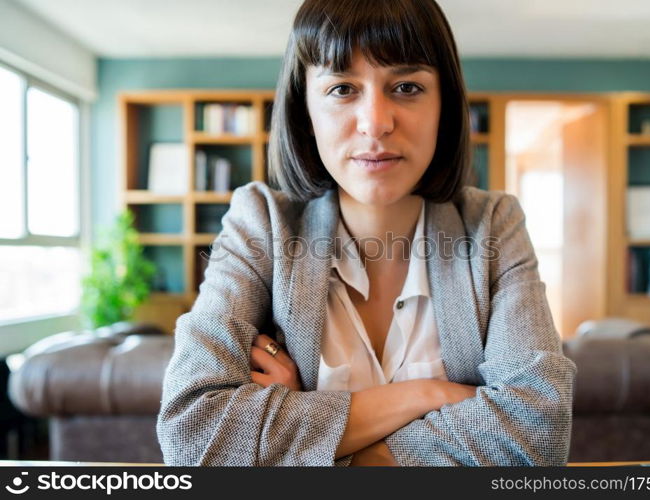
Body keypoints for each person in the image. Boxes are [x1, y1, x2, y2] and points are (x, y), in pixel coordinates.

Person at [157, 0, 576, 466]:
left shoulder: (494, 224)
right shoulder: (260, 222)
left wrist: (314, 444)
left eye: (407, 86)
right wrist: (428, 395)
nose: (376, 122)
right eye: (341, 89)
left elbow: (539, 436)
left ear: (445, 106)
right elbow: (193, 435)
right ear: (305, 110)